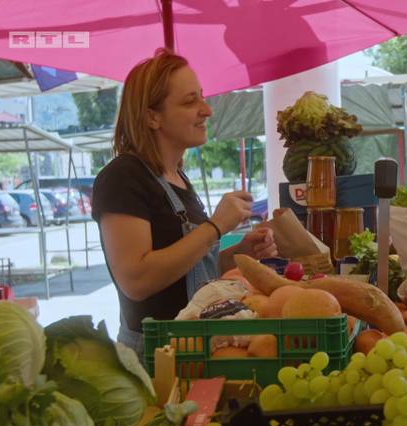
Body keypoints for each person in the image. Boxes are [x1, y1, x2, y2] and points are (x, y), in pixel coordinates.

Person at [92, 48, 277, 356]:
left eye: (202, 97)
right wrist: (215, 227)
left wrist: (239, 253)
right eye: (190, 101)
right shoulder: (123, 177)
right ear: (152, 116)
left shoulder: (177, 179)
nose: (207, 110)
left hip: (193, 347)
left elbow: (187, 272)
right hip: (153, 357)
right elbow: (137, 280)